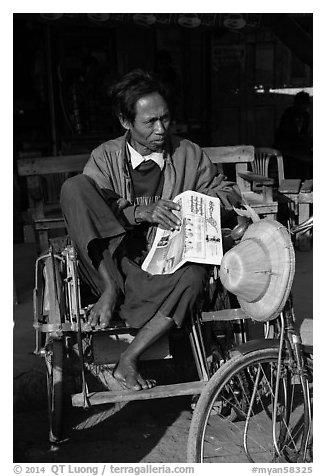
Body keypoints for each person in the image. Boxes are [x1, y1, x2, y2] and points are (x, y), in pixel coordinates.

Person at [60, 69, 240, 392]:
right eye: (150, 122)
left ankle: (128, 358)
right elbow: (90, 205)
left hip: (158, 267)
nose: (161, 129)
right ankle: (110, 290)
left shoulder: (188, 154)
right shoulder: (105, 157)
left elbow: (224, 191)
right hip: (109, 262)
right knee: (74, 188)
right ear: (125, 122)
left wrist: (203, 204)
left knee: (196, 277)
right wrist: (138, 212)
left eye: (165, 118)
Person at [274, 91, 312, 178]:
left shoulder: (305, 116)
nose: (304, 107)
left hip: (298, 146)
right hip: (286, 146)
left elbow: (303, 133)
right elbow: (287, 134)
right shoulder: (289, 113)